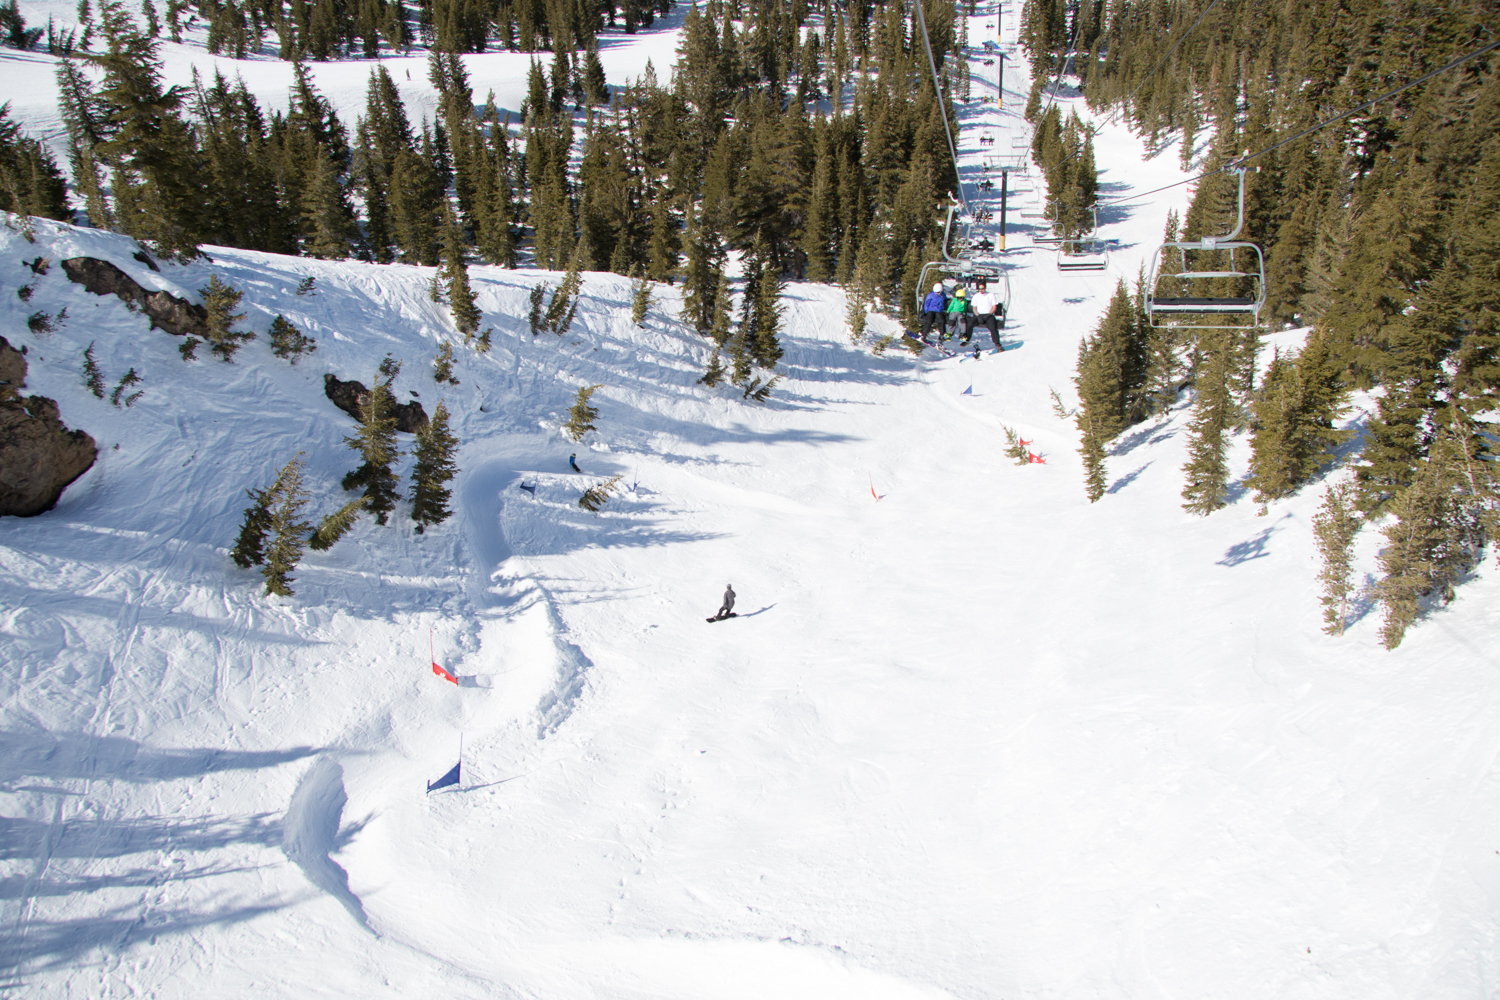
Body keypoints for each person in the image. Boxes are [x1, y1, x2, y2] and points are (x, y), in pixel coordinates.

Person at [968, 281, 1002, 350]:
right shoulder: (976, 296)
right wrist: (978, 316)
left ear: (985, 288)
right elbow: (974, 308)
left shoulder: (991, 295)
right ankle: (967, 339)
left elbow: (994, 307)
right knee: (970, 324)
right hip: (979, 314)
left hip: (988, 315)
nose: (981, 290)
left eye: (982, 288)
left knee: (993, 327)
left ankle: (997, 343)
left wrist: (989, 314)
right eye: (979, 289)